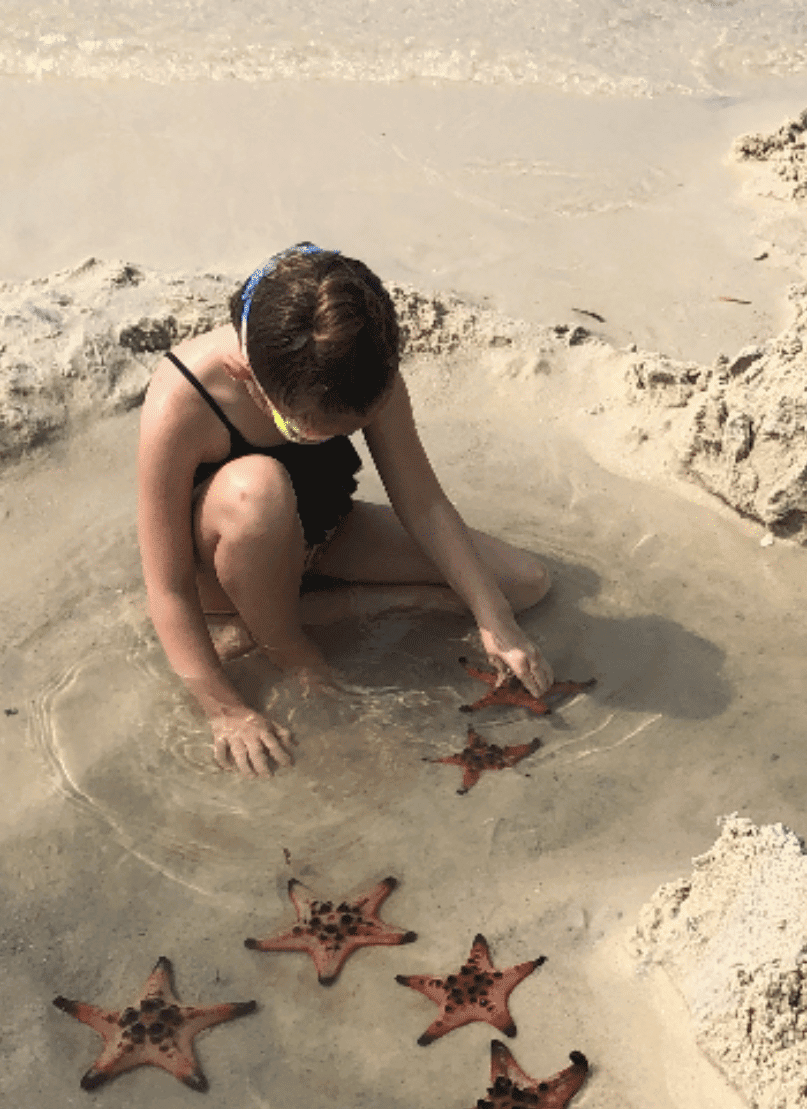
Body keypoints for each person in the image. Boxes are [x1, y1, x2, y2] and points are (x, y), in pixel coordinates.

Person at [136, 243, 552, 776]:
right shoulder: (182, 399)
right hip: (227, 565)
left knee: (524, 585)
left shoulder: (359, 361)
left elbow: (423, 504)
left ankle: (317, 613)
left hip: (325, 532)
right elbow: (165, 587)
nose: (321, 444)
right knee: (256, 491)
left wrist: (494, 620)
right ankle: (286, 643)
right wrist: (226, 710)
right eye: (302, 431)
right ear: (247, 375)